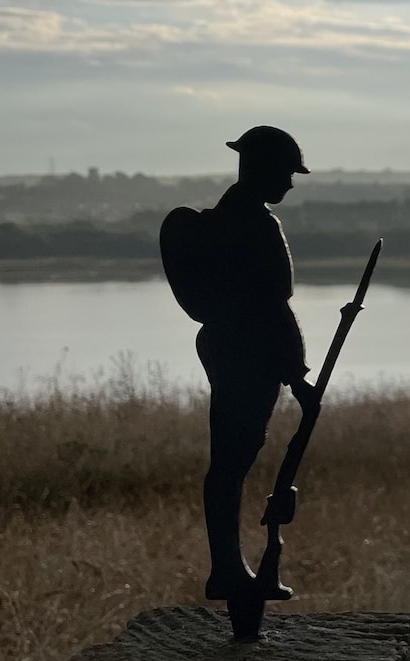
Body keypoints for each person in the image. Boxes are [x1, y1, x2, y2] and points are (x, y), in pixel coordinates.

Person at [184, 126, 319, 604]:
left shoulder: (236, 216)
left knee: (234, 459)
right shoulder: (248, 222)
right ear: (258, 167)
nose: (290, 183)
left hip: (243, 350)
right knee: (231, 462)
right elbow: (270, 304)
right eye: (285, 172)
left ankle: (229, 568)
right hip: (246, 353)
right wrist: (298, 373)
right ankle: (227, 570)